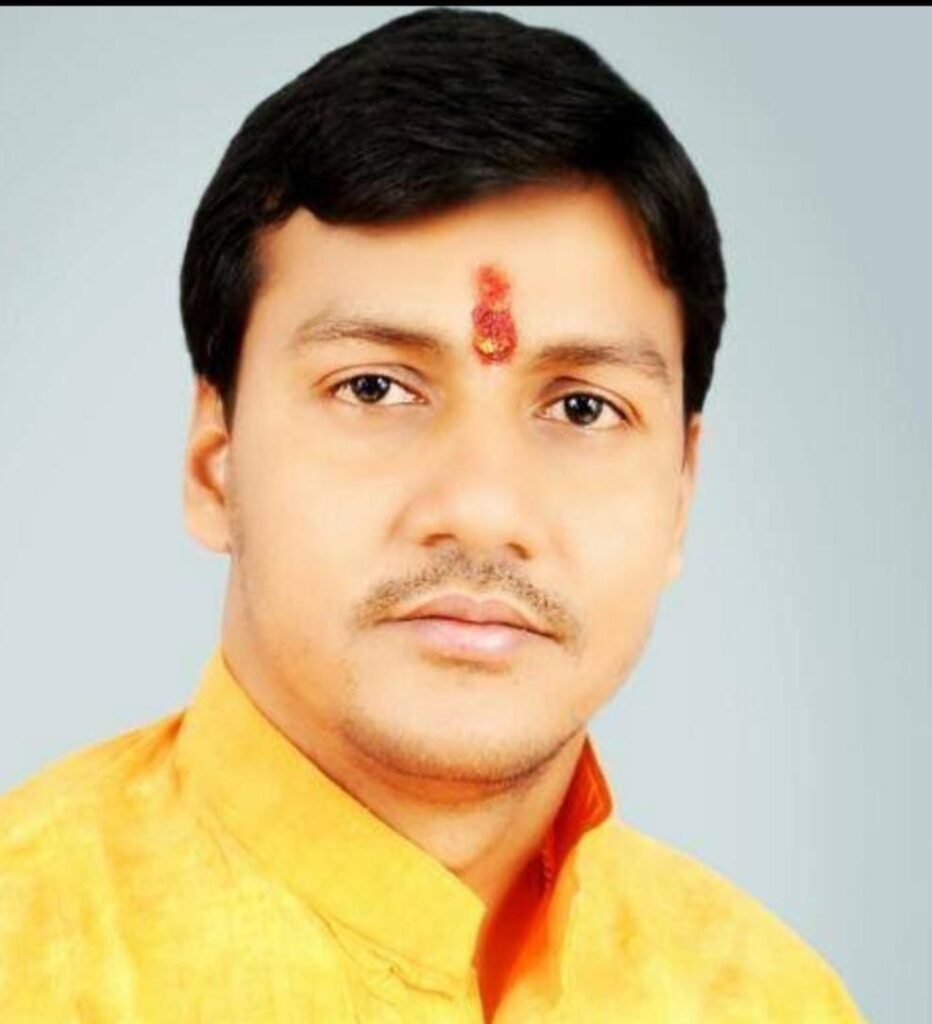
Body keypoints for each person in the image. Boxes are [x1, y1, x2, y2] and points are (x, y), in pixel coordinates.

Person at [0, 8, 865, 1021]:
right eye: (374, 388)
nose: (484, 509)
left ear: (680, 495)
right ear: (213, 462)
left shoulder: (768, 999)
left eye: (583, 408)